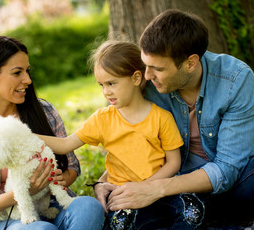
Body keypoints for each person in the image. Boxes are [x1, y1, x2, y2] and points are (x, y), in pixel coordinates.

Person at [94, 9, 254, 229]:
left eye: (157, 69)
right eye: (145, 65)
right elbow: (125, 139)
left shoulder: (235, 79)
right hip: (177, 201)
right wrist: (103, 181)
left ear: (190, 63)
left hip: (234, 188)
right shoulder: (146, 85)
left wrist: (157, 188)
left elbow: (226, 170)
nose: (147, 76)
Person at [0, 36, 104, 230]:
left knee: (89, 207)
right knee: (42, 229)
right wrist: (23, 191)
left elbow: (72, 167)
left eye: (27, 71)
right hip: (11, 218)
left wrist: (54, 181)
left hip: (53, 205)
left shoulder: (45, 111)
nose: (28, 80)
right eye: (17, 72)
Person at [37, 40, 185, 230]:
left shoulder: (161, 118)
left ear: (136, 78)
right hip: (121, 198)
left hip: (158, 194)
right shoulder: (102, 119)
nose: (106, 92)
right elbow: (65, 144)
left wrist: (146, 188)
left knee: (192, 210)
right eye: (101, 85)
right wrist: (24, 135)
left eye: (111, 83)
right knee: (121, 223)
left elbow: (174, 163)